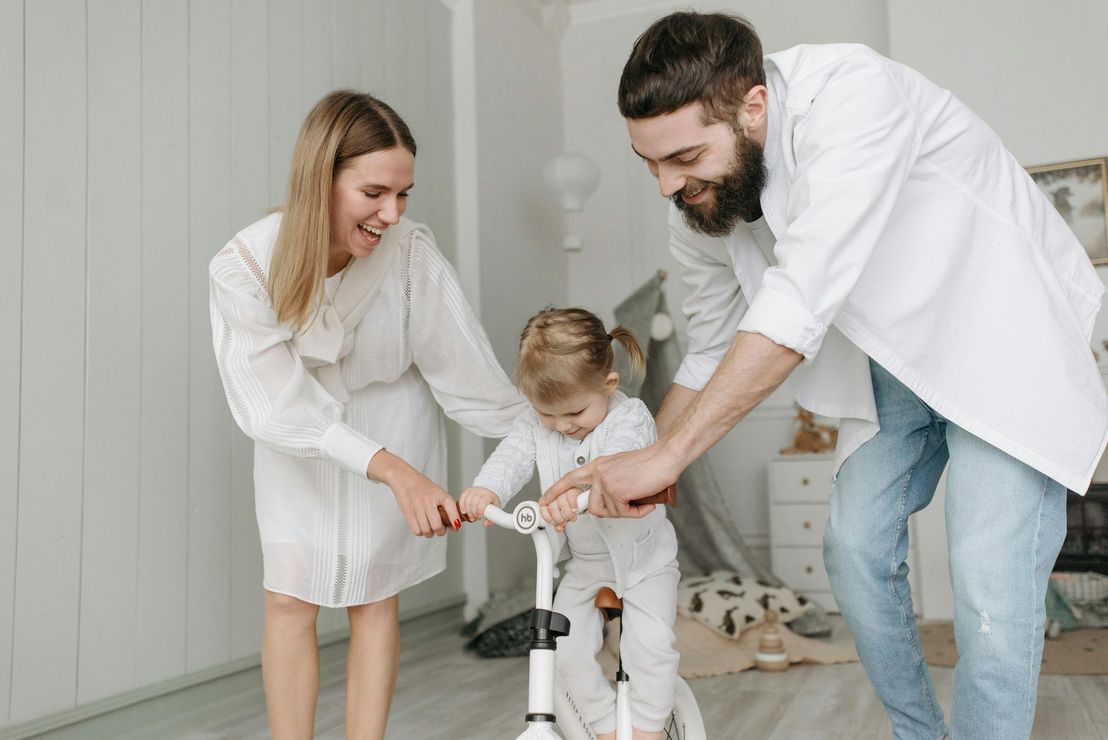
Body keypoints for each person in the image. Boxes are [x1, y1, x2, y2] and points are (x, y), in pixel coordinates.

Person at [541, 12, 1108, 740]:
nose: (664, 185)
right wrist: (632, 455)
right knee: (854, 549)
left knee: (988, 586)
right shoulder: (700, 203)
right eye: (649, 163)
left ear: (753, 107)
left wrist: (666, 457)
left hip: (1000, 341)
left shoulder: (853, 94)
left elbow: (798, 302)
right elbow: (712, 347)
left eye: (683, 156)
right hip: (893, 362)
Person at [209, 90, 527, 740]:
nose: (393, 213)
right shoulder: (243, 266)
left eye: (404, 194)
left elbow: (467, 376)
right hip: (299, 443)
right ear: (320, 179)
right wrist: (392, 472)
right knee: (289, 598)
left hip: (394, 418)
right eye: (375, 193)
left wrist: (559, 429)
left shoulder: (410, 256)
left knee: (375, 598)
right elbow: (278, 402)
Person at [459, 308, 680, 740]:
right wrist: (487, 491)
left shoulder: (629, 418)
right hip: (585, 562)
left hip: (643, 560)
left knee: (650, 647)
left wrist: (571, 498)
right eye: (547, 415)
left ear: (609, 385)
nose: (562, 427)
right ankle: (604, 727)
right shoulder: (535, 425)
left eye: (575, 412)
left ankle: (648, 729)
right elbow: (513, 454)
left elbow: (614, 466)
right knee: (560, 648)